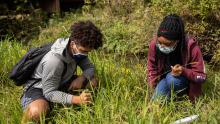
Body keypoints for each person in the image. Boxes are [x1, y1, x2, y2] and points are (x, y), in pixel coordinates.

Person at [21, 20, 103, 123]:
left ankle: (61, 103)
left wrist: (82, 78)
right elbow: (49, 92)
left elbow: (90, 68)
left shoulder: (78, 50)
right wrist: (77, 99)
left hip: (60, 82)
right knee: (38, 112)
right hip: (39, 89)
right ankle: (38, 107)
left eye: (88, 52)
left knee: (93, 82)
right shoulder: (54, 61)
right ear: (73, 44)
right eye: (83, 51)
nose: (85, 55)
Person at [147, 14, 206, 102]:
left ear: (177, 41)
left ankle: (183, 96)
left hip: (182, 81)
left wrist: (183, 71)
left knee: (172, 79)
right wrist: (153, 88)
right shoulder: (154, 45)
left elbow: (201, 77)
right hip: (164, 80)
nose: (162, 46)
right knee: (156, 102)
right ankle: (168, 96)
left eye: (167, 44)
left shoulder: (191, 46)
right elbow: (152, 69)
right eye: (160, 42)